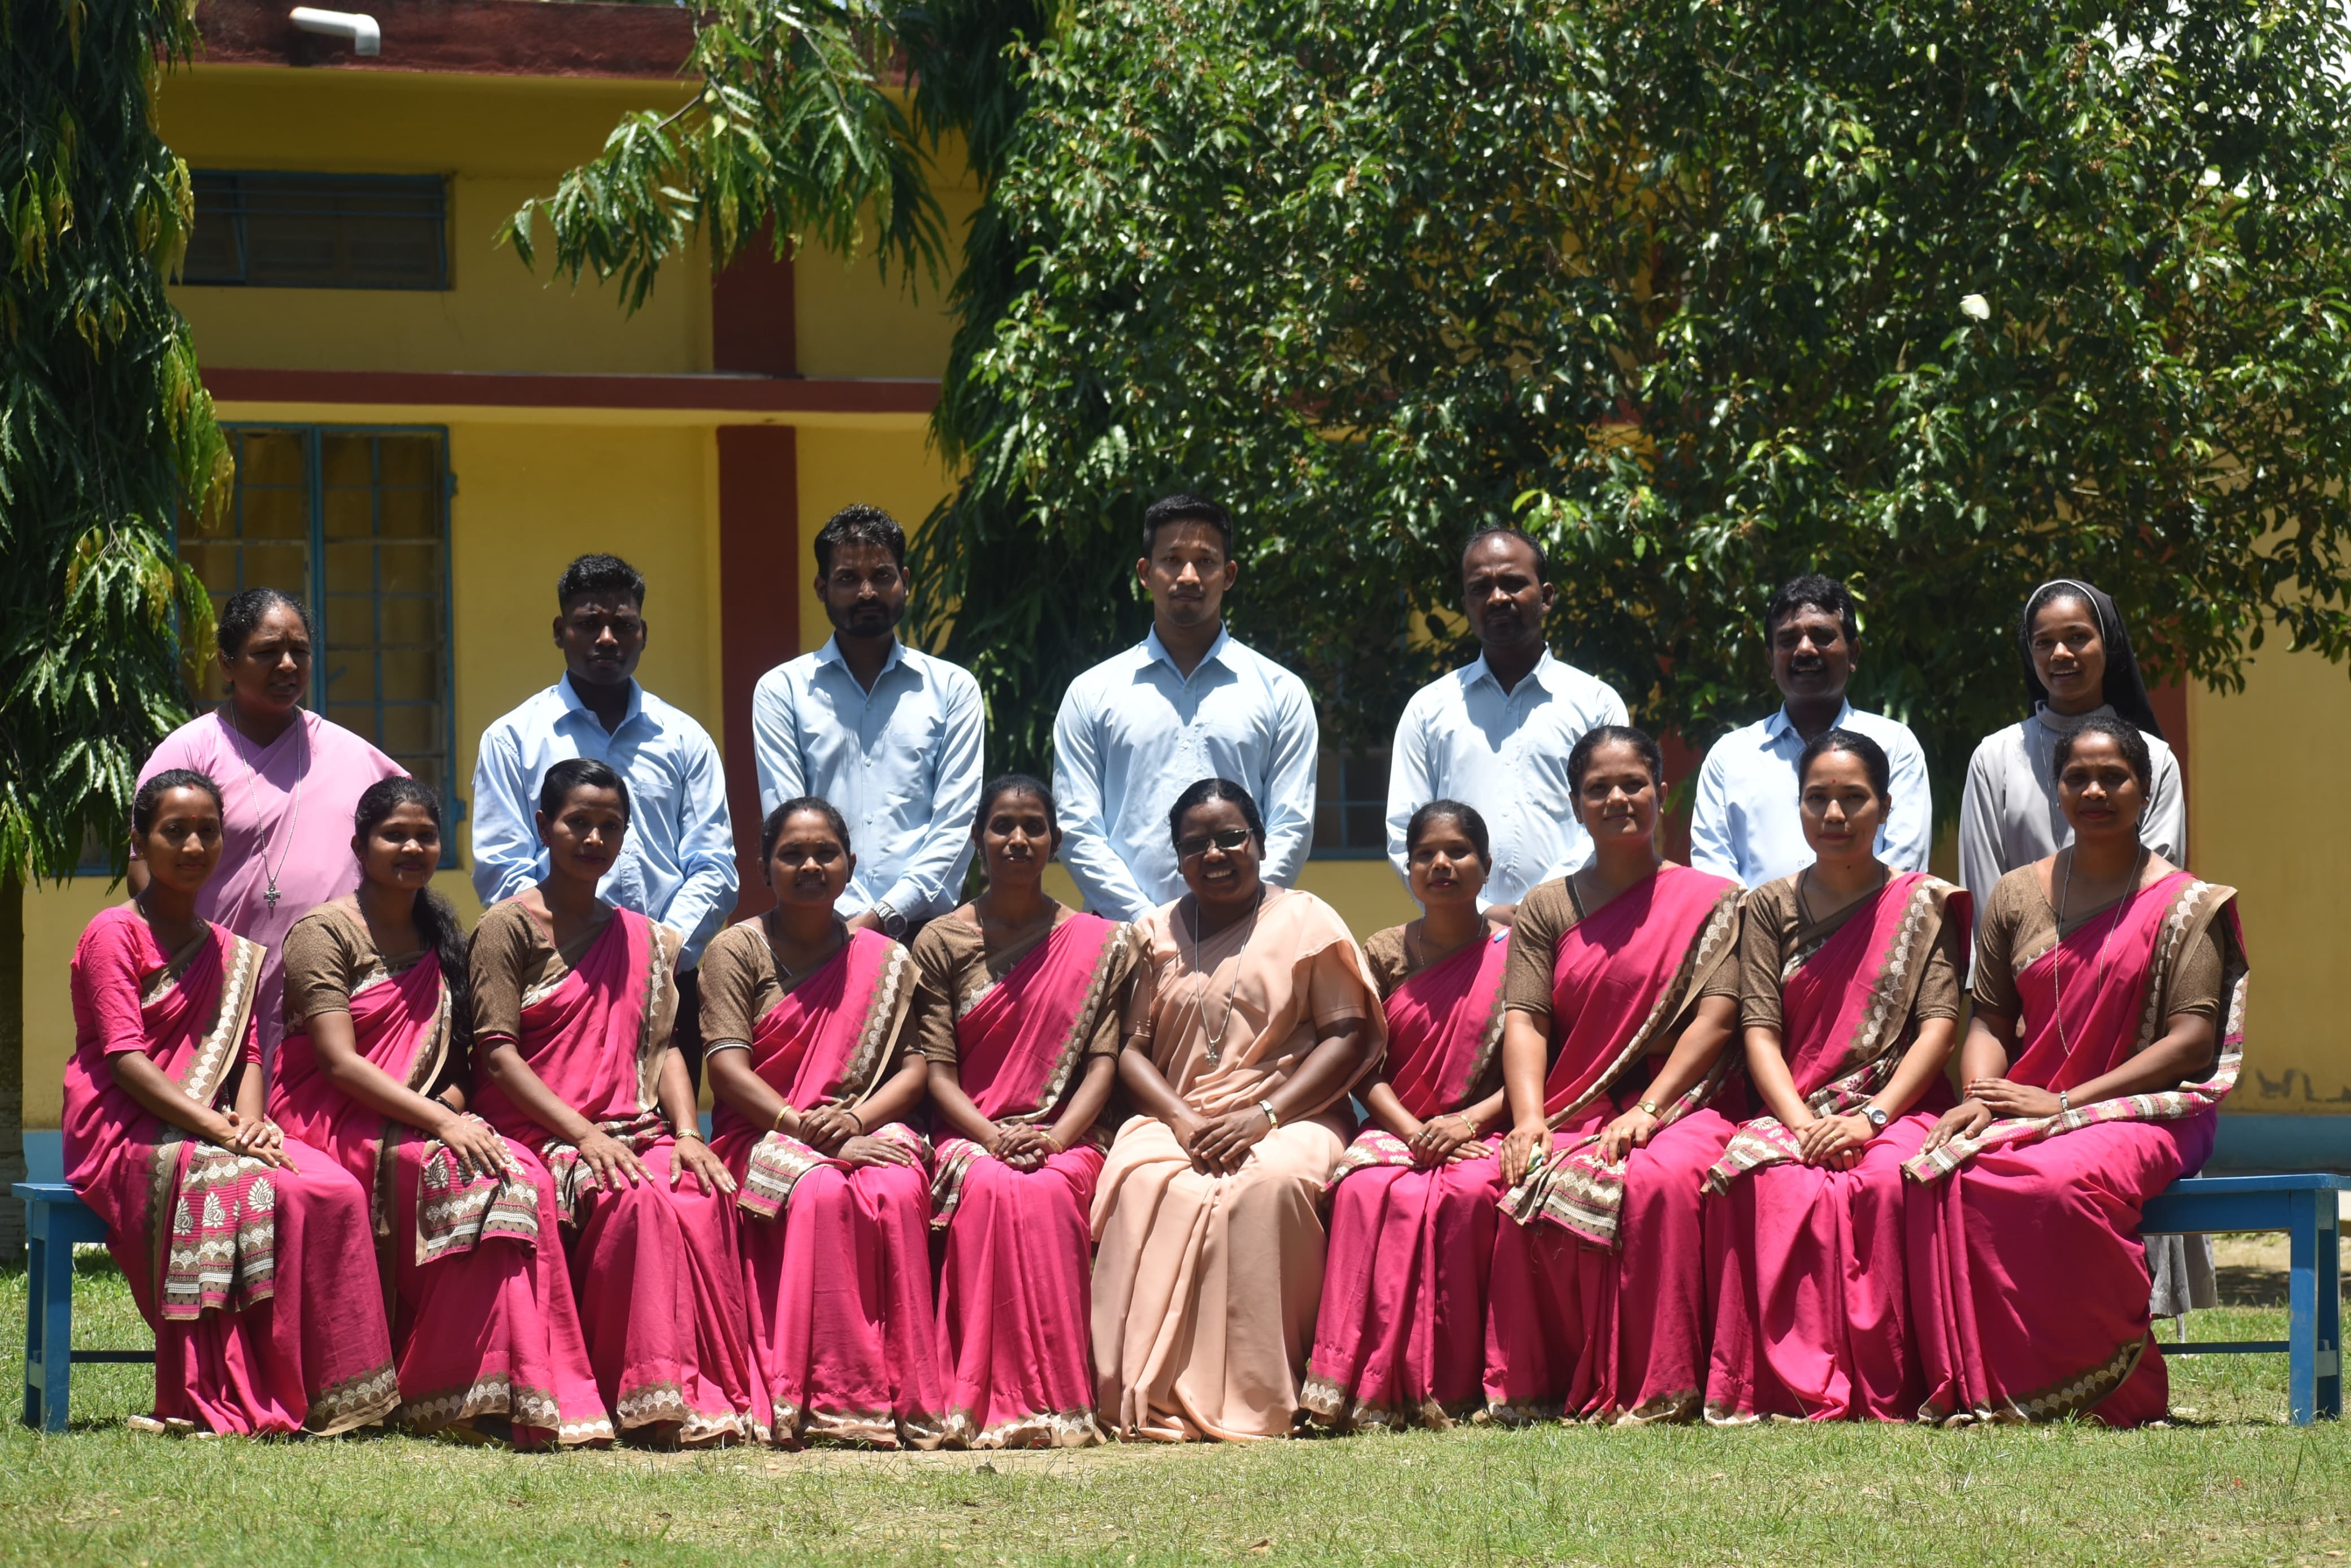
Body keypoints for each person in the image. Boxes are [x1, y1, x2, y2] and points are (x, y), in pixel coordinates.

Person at [1906, 718, 2242, 1427]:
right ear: (2055, 791)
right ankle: (1995, 1383)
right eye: (2076, 778)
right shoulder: (2015, 895)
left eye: (2112, 777)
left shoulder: (2186, 904)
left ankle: (2109, 1389)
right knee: (1948, 1173)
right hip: (2032, 1103)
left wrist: (2065, 1102)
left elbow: (2189, 1043)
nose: (2093, 791)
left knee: (2059, 1184)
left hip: (2154, 1111)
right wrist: (1980, 1098)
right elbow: (1989, 1019)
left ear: (2144, 791)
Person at [268, 778, 610, 1446]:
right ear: (359, 846)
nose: (412, 848)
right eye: (394, 835)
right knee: (467, 1178)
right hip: (332, 1116)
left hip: (419, 1114)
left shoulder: (443, 935)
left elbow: (459, 1062)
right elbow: (337, 1063)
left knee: (521, 1175)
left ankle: (509, 1383)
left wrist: (454, 1107)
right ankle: (448, 1390)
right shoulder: (322, 933)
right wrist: (443, 1124)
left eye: (425, 836)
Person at [64, 770, 398, 1437]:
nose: (193, 846)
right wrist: (223, 1133)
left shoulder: (227, 949)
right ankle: (223, 1391)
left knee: (332, 1189)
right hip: (124, 1126)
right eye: (174, 831)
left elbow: (246, 1053)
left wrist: (249, 1122)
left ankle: (333, 1392)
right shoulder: (113, 933)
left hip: (213, 1124)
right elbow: (126, 1059)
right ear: (139, 841)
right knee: (241, 1186)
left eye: (207, 831)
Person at [467, 758, 760, 1445]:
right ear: (544, 826)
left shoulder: (645, 938)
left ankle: (702, 1391)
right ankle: (641, 1398)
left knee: (701, 1189)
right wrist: (584, 1135)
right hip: (538, 1129)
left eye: (610, 825)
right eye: (578, 822)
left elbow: (663, 1051)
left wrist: (688, 1133)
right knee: (633, 1200)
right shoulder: (507, 928)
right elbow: (498, 1055)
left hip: (634, 1126)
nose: (594, 838)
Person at [1090, 779, 1385, 1441]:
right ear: (1176, 857)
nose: (1214, 854)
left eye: (1230, 838)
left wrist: (1264, 1116)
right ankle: (1144, 1390)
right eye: (1195, 844)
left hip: (1294, 1113)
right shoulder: (1152, 932)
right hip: (1180, 1114)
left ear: (1260, 842)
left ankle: (1260, 1392)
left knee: (1267, 1185)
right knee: (1147, 1182)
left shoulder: (1307, 920)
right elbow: (1130, 1051)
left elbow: (1345, 1035)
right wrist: (1181, 1119)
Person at [1701, 730, 1969, 1423]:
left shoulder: (1923, 904)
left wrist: (1871, 1118)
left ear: (1884, 807)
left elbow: (1938, 1027)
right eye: (1816, 798)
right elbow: (1758, 1030)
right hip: (1793, 1106)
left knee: (1885, 1183)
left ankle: (1888, 1386)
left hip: (1894, 1105)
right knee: (1762, 1177)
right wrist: (1800, 1124)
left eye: (1853, 798)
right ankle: (1781, 1386)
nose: (1833, 814)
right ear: (1797, 806)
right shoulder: (1766, 907)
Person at [1955, 576, 2206, 1317]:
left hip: (2125, 1007)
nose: (2061, 653)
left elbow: (2149, 891)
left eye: (2078, 637)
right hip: (2024, 1008)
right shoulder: (1994, 757)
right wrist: (2016, 995)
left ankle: (2120, 1314)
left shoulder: (2154, 757)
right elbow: (1987, 890)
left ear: (2109, 646)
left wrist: (2092, 984)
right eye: (2044, 641)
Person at [1482, 729, 1746, 1423]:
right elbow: (1526, 1019)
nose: (1617, 799)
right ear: (1575, 804)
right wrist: (1529, 1120)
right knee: (1522, 1176)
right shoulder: (1547, 907)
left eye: (1632, 783)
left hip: (1683, 1099)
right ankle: (1538, 1384)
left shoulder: (1714, 899)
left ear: (1660, 792)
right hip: (1577, 1098)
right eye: (1597, 788)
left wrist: (1649, 1111)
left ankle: (1659, 1384)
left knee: (1658, 1181)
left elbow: (1717, 1017)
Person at [702, 798, 945, 1448]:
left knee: (898, 1186)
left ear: (850, 865)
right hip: (761, 1130)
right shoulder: (735, 949)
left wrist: (857, 1119)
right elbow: (726, 1067)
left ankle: (906, 1397)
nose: (810, 866)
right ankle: (824, 1395)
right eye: (792, 854)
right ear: (764, 868)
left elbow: (915, 1068)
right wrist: (802, 1126)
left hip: (863, 1119)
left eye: (825, 853)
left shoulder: (886, 959)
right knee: (818, 1191)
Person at [913, 776, 1146, 1449]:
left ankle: (1061, 1399)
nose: (1017, 839)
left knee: (1046, 1191)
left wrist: (1054, 1140)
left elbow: (1102, 1065)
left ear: (1055, 842)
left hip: (1068, 1134)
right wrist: (992, 1137)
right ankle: (978, 1398)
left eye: (1033, 827)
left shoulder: (1100, 942)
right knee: (989, 1188)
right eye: (1002, 826)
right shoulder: (940, 941)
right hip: (970, 1132)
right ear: (977, 839)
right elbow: (937, 1072)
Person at [471, 554, 736, 1090]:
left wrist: (658, 953)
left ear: (644, 633)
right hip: (554, 981)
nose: (608, 638)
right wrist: (567, 950)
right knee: (558, 1126)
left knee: (670, 1128)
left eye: (623, 624)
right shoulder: (513, 738)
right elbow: (502, 867)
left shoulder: (684, 739)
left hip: (669, 980)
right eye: (589, 623)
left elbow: (714, 868)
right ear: (559, 631)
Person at [1303, 801, 1513, 1431]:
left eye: (1457, 852)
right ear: (1409, 867)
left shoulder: (1515, 954)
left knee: (1469, 1194)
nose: (1441, 864)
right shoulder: (1383, 951)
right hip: (1399, 1124)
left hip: (1485, 1126)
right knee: (1364, 1190)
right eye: (1425, 854)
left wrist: (1467, 1124)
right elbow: (1363, 1061)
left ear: (1486, 866)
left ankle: (1451, 1385)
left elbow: (1538, 1062)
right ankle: (1358, 1385)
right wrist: (1410, 1129)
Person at [133, 588, 406, 1068]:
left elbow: (408, 846)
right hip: (213, 989)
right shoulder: (189, 752)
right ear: (227, 663)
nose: (287, 665)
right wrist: (183, 966)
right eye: (267, 652)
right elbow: (142, 870)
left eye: (300, 651)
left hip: (330, 993)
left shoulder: (353, 755)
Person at [1054, 495, 1319, 922]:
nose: (1189, 576)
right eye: (1172, 559)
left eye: (1206, 561)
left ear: (1228, 575)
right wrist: (1145, 923)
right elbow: (1077, 827)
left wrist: (1242, 918)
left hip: (1248, 938)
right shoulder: (1092, 694)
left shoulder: (1281, 693)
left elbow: (1292, 825)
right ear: (1146, 573)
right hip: (1124, 937)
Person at [751, 504, 985, 940]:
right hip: (819, 934)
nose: (867, 593)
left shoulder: (954, 688)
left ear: (905, 581)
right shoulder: (782, 690)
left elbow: (955, 824)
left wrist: (881, 915)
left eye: (881, 575)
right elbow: (788, 823)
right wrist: (849, 919)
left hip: (927, 934)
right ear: (821, 587)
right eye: (847, 578)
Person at [1385, 528, 1628, 918]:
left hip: (1576, 926)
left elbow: (1611, 821)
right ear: (1466, 604)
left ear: (1546, 597)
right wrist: (1477, 912)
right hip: (1462, 935)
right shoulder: (1428, 710)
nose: (1497, 598)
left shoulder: (1597, 705)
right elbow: (1405, 833)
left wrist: (1542, 907)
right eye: (1480, 588)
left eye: (1513, 583)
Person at [1690, 574, 1931, 887]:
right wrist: (1771, 917)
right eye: (1788, 640)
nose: (1804, 649)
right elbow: (1713, 877)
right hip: (1752, 921)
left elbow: (1903, 869)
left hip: (1872, 920)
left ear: (1854, 654)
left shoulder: (1894, 746)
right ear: (1770, 661)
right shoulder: (1730, 757)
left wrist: (1837, 917)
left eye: (1822, 636)